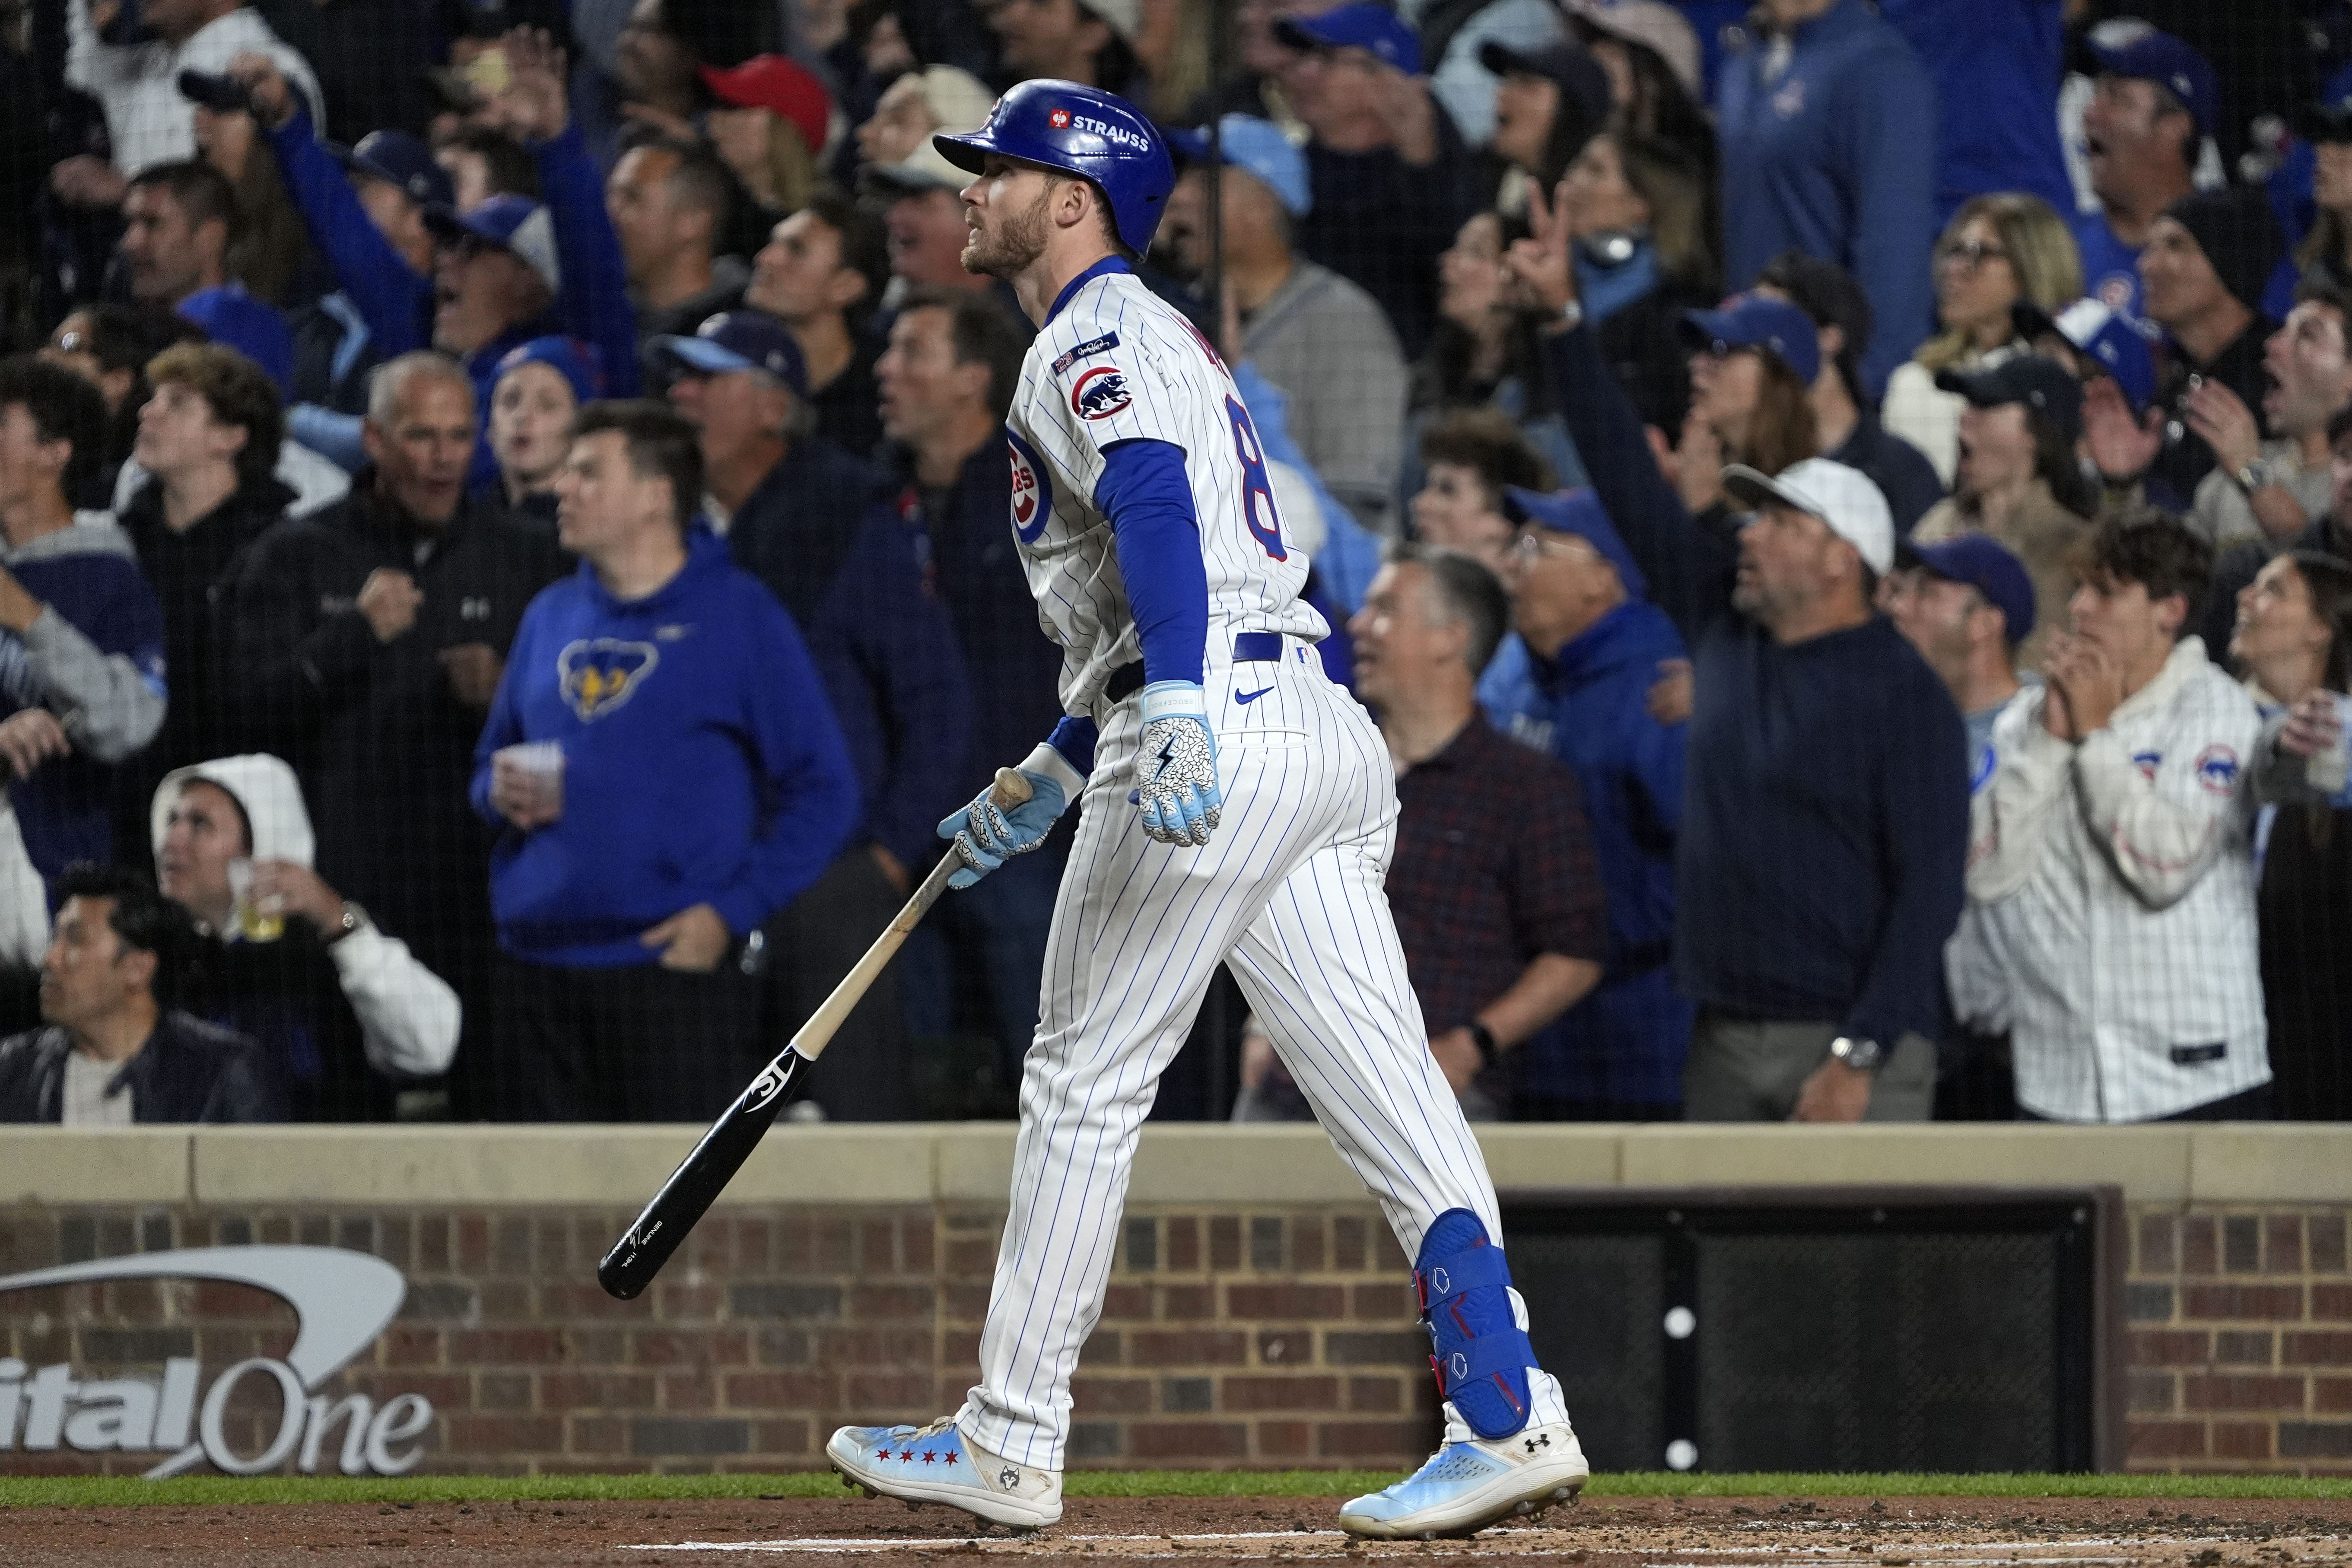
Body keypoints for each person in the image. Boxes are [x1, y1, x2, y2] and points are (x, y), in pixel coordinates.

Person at [825, 80, 1592, 1539]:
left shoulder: (1094, 329)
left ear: (1072, 198)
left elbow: (1163, 508)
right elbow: (1162, 581)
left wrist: (1168, 708)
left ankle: (1010, 1432)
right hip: (1305, 724)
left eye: (992, 171)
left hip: (1219, 724)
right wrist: (1061, 760)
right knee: (1389, 1092)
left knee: (1081, 1073)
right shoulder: (1149, 332)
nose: (964, 193)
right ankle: (1505, 1408)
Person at [472, 399, 860, 1122]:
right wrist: (496, 792)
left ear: (655, 495)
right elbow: (485, 769)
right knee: (543, 1226)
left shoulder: (741, 615)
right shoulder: (548, 613)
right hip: (533, 970)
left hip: (669, 975)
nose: (563, 486)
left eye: (589, 472)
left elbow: (826, 790)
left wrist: (730, 909)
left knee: (671, 1225)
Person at [224, 351, 569, 1087]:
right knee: (343, 1123)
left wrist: (510, 690)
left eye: (458, 436)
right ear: (375, 440)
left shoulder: (529, 557)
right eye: (421, 436)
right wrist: (349, 638)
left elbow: (588, 727)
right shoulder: (295, 552)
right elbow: (241, 718)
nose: (444, 459)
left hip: (480, 900)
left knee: (491, 1121)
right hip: (342, 899)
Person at [660, 311, 968, 1120]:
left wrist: (891, 860)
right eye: (678, 376)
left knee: (851, 1116)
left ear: (772, 406)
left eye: (706, 378)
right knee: (702, 1121)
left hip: (831, 877)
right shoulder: (667, 529)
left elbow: (934, 700)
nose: (680, 393)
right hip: (702, 877)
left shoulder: (847, 517)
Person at [1951, 514, 2268, 1123]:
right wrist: (2049, 745)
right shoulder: (2030, 717)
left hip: (2194, 1080)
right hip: (2056, 1081)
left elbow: (2163, 868)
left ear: (2169, 610)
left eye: (2106, 592)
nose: (2080, 609)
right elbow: (1986, 876)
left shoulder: (2215, 710)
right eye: (2078, 591)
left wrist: (2095, 739)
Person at [1335, 544, 1605, 1121]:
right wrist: (1260, 1030)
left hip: (1438, 1099)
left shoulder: (1526, 787)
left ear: (1451, 637)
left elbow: (1575, 953)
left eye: (1385, 609)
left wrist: (1471, 1046)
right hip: (1294, 1084)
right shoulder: (1333, 775)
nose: (1360, 625)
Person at [874, 285, 1068, 1087]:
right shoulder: (876, 502)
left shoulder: (1045, 496)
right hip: (910, 822)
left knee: (1047, 1053)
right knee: (918, 1066)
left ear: (972, 379)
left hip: (1024, 825)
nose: (885, 370)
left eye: (912, 352)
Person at [1500, 485, 1689, 1120]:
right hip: (1544, 1040)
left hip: (1640, 1046)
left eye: (1537, 547)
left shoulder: (1659, 689)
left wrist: (1582, 941)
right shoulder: (1539, 681)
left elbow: (1701, 872)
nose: (1513, 566)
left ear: (1603, 578)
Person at [151, 754, 460, 1120]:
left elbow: (431, 1047)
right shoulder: (156, 954)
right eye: (172, 820)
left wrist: (337, 917)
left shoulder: (337, 932)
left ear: (260, 848)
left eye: (200, 824)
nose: (171, 841)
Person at [1160, 115, 1409, 538]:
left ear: (1264, 204)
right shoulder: (1171, 317)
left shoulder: (1345, 326)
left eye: (1206, 184)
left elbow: (1357, 507)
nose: (1179, 196)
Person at [1713, 0, 1936, 397]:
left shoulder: (1877, 68)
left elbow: (1895, 250)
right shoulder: (1744, 61)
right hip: (1750, 368)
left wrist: (1866, 387)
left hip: (1821, 378)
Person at [0, 358, 169, 883]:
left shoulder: (111, 578)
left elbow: (131, 720)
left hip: (59, 874)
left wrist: (31, 619)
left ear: (55, 454)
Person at [116, 342, 291, 830]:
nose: (149, 412)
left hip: (233, 804)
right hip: (126, 797)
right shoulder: (120, 542)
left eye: (177, 403)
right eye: (153, 399)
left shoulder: (279, 550)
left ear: (231, 436)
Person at [0, 862, 280, 1123]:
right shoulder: (12, 1070)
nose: (49, 959)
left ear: (137, 968)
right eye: (55, 938)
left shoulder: (221, 1073)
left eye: (74, 939)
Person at [1275, 4, 1479, 359]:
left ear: (1389, 80)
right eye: (1303, 55)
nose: (1302, 72)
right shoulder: (1287, 166)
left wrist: (1422, 165)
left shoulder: (1439, 182)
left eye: (1327, 58)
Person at [2236, 551, 2352, 1120]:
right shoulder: (2217, 723)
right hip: (2238, 1037)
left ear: (2319, 629)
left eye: (2273, 590)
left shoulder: (2344, 742)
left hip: (2323, 1053)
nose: (2247, 600)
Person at [1882, 193, 2083, 489]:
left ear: (2032, 266)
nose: (1954, 269)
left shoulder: (2067, 378)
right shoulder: (1915, 383)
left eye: (1978, 253)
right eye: (1953, 252)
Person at [1912, 354, 2096, 670]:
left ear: (2034, 435)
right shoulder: (1939, 522)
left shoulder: (2073, 546)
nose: (1966, 417)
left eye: (1985, 406)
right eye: (1968, 405)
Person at [1754, 250, 1945, 536]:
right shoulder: (1749, 457)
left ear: (1828, 340)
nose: (1754, 347)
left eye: (1772, 327)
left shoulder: (1900, 471)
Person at [2129, 189, 2285, 509]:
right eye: (2149, 248)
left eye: (2175, 245)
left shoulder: (2281, 374)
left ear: (2229, 259)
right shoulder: (2176, 384)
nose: (2146, 265)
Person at [1554, 127, 1716, 435]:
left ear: (1642, 205)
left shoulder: (1679, 319)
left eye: (1595, 170)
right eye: (1577, 164)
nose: (1572, 179)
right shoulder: (1552, 281)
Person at [62, 0, 321, 181]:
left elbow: (262, 202)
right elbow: (80, 64)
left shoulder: (267, 68)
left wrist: (125, 193)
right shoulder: (148, 64)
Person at [1407, 407, 1552, 730]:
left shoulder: (1538, 639)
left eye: (1447, 490)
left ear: (1501, 521)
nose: (1421, 504)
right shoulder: (1398, 595)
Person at [2184, 288, 2352, 561]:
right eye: (2283, 332)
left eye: (2307, 335)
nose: (2273, 344)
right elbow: (2165, 578)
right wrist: (2121, 486)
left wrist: (2252, 473)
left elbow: (2332, 578)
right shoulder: (2232, 473)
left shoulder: (2246, 466)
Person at [2069, 28, 2210, 340]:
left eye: (2116, 98)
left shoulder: (2234, 246)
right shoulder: (2064, 247)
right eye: (2096, 95)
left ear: (2175, 127)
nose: (2091, 114)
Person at [741, 190, 892, 461]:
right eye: (773, 243)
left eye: (796, 250)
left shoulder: (883, 395)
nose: (765, 258)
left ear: (845, 287)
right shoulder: (732, 354)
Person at [1667, 293, 1822, 533]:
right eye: (1700, 349)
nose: (1697, 364)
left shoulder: (1817, 497)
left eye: (1720, 349)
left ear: (1777, 376)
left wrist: (1705, 513)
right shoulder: (1682, 472)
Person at [1882, 534, 2034, 763]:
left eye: (1925, 592)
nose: (1898, 606)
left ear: (1983, 626)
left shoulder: (2040, 737)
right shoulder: (1901, 722)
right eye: (1902, 590)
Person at [604, 136, 744, 346]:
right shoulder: (602, 313)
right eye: (609, 196)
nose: (609, 213)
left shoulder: (743, 337)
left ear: (694, 222)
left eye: (632, 198)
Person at [699, 53, 832, 229]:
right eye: (721, 105)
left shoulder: (819, 224)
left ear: (783, 135)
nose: (715, 119)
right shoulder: (719, 207)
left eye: (739, 108)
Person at [1478, 38, 1612, 195]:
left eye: (1526, 84)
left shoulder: (1586, 204)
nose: (1501, 93)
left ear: (1570, 112)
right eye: (1507, 81)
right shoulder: (1488, 185)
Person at [486, 336, 595, 523]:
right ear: (489, 428)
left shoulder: (593, 535)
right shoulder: (458, 523)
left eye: (548, 405)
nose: (522, 416)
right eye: (510, 401)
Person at [117, 159, 245, 309]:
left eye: (153, 223)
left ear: (211, 238)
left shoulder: (253, 328)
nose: (129, 243)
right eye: (128, 225)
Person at [985, 0, 1146, 96]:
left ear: (1092, 34)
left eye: (1041, 2)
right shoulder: (984, 109)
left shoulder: (1128, 138)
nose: (1012, 15)